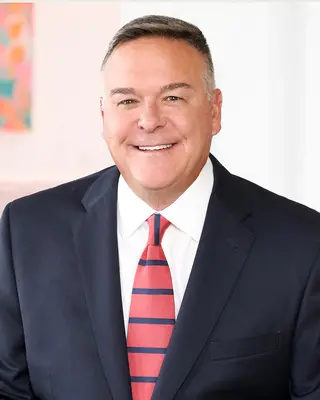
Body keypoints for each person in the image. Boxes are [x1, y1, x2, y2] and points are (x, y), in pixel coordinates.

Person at [0, 14, 320, 400]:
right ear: (104, 116)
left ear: (214, 111)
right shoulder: (27, 232)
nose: (149, 120)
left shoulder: (302, 246)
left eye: (173, 97)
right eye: (127, 100)